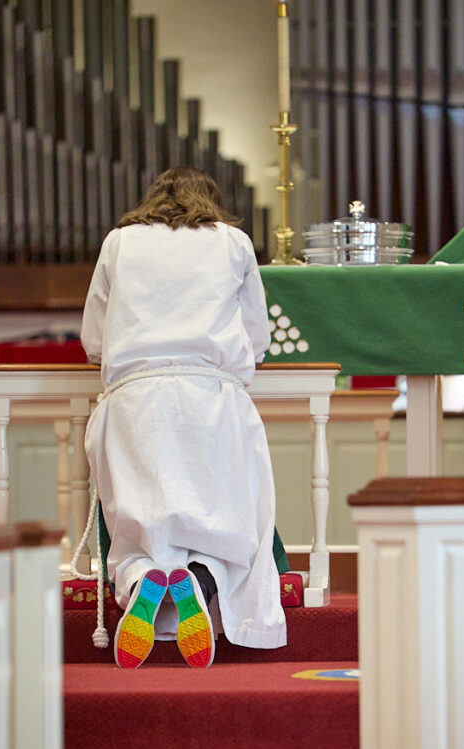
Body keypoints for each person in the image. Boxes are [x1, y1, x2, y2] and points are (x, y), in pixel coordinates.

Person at [80, 166, 287, 669]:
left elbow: (93, 340)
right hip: (210, 401)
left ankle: (141, 579)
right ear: (211, 202)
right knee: (229, 526)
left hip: (136, 399)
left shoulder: (119, 242)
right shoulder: (234, 243)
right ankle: (198, 579)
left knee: (134, 526)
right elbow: (256, 339)